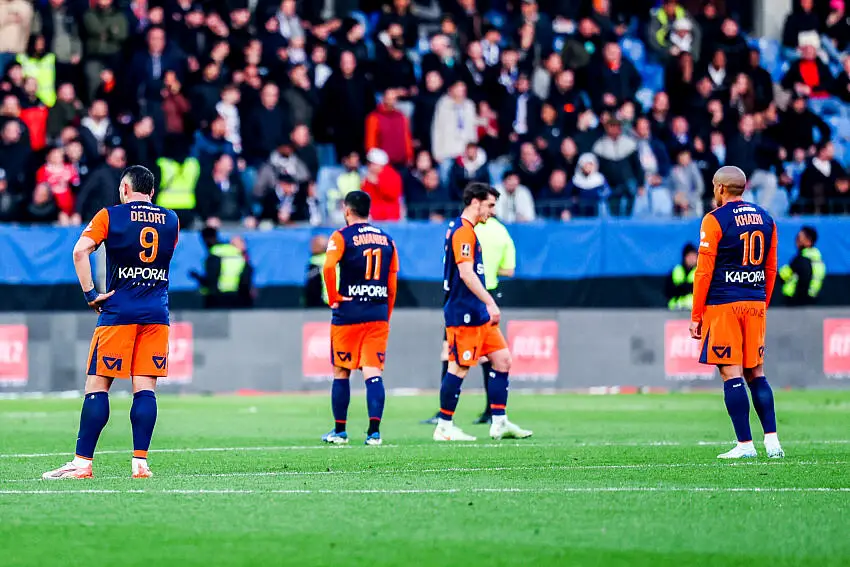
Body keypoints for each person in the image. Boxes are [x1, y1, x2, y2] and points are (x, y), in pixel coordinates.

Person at [42, 166, 179, 480]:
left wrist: (91, 294)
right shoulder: (172, 220)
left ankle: (82, 463)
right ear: (152, 192)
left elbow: (80, 251)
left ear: (125, 189)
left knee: (98, 385)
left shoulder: (110, 215)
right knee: (145, 388)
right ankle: (140, 463)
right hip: (156, 313)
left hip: (119, 311)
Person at [689, 166, 783, 460]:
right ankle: (773, 442)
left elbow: (703, 272)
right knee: (757, 372)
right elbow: (771, 268)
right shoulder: (766, 218)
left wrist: (696, 315)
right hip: (755, 302)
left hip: (724, 304)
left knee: (731, 372)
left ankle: (745, 444)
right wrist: (762, 303)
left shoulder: (714, 219)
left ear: (720, 188)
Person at [434, 182, 532, 442]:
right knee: (459, 367)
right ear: (475, 202)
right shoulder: (462, 232)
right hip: (464, 311)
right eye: (490, 205)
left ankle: (499, 421)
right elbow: (466, 273)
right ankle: (444, 425)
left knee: (502, 359)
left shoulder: (468, 230)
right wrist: (490, 302)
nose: (493, 211)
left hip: (477, 311)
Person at [422, 212, 517, 426]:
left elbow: (461, 269)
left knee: (457, 358)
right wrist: (489, 273)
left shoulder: (460, 228)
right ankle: (482, 413)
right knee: (481, 359)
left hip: (469, 299)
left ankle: (451, 416)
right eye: (491, 204)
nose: (492, 209)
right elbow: (509, 270)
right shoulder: (499, 231)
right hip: (484, 295)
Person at [320, 191, 398, 446]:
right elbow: (392, 283)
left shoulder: (341, 236)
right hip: (377, 314)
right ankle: (374, 433)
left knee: (341, 371)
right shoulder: (387, 240)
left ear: (347, 209)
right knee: (373, 372)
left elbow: (328, 266)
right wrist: (386, 313)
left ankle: (340, 431)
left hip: (349, 313)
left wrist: (334, 297)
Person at [190, 227, 252, 309]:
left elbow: (211, 280)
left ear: (206, 239)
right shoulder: (235, 253)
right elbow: (246, 274)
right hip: (239, 299)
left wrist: (197, 277)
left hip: (218, 300)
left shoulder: (214, 255)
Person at [779, 226, 825, 306]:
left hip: (796, 302)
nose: (796, 241)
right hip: (813, 301)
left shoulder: (801, 259)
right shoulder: (818, 259)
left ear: (809, 241)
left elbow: (783, 275)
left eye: (799, 238)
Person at [666, 243, 698, 310]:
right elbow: (668, 291)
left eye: (694, 256)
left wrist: (684, 287)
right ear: (684, 257)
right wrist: (684, 288)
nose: (692, 259)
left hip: (692, 309)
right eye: (689, 256)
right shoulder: (676, 270)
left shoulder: (700, 271)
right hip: (675, 308)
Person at [304, 234, 329, 307]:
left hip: (321, 304)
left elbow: (312, 286)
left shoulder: (315, 261)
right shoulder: (336, 260)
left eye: (313, 244)